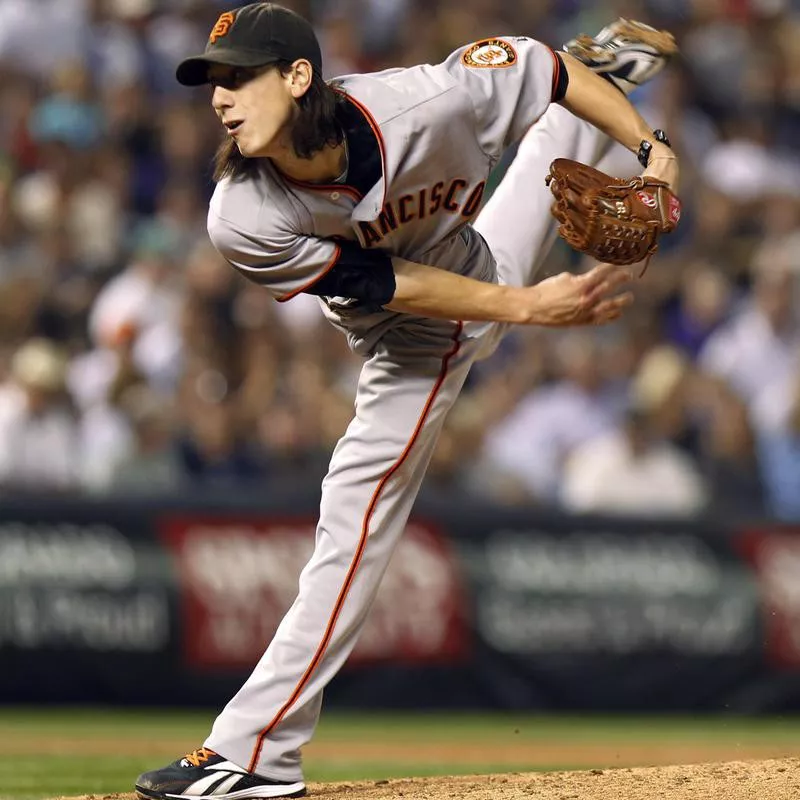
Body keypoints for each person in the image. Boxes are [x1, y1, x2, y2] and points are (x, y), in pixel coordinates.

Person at [136, 4, 679, 799]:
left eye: (239, 76)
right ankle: (607, 71)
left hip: (430, 333)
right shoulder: (242, 214)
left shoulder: (427, 103)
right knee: (514, 223)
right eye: (212, 80)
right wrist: (529, 307)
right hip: (438, 284)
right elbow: (384, 283)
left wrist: (652, 150)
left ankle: (255, 752)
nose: (220, 96)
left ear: (297, 77)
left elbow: (542, 71)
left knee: (353, 517)